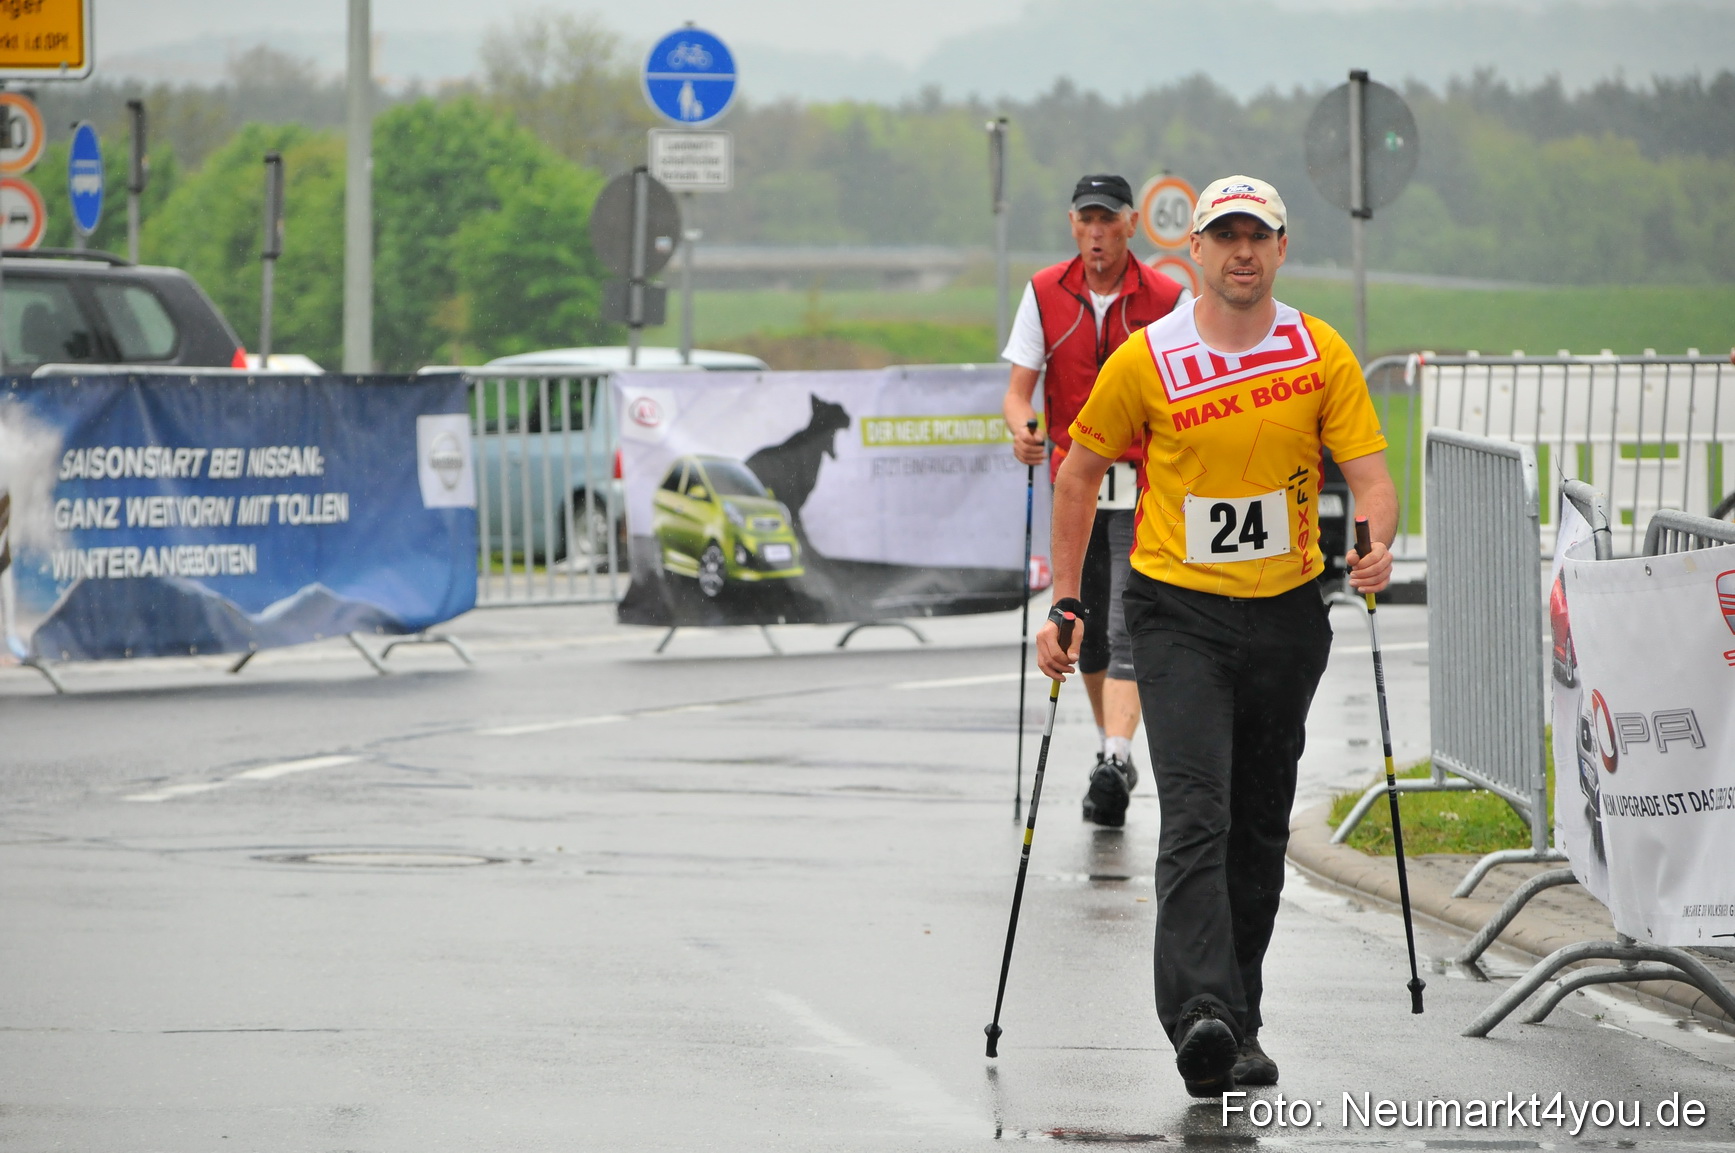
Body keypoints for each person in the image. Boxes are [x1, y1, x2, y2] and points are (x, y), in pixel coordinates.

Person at [1035, 175, 1397, 1097]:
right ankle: (1199, 1011)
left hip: (1284, 613)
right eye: (1223, 235)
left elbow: (1369, 474)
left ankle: (1241, 1018)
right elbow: (1076, 473)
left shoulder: (1319, 352)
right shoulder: (1148, 356)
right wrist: (1068, 599)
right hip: (1176, 611)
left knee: (1258, 825)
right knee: (1197, 810)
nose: (1241, 251)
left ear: (1280, 249)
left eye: (1258, 236)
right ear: (1192, 250)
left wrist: (1375, 542)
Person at [1002, 173, 1188, 828]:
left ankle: (1113, 751)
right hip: (1074, 479)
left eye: (1108, 220)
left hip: (1143, 476)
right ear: (1071, 224)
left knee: (1128, 612)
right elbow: (1018, 391)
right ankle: (1112, 749)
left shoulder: (1168, 297)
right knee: (1082, 617)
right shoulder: (1044, 292)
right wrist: (1022, 426)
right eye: (1086, 219)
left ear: (1130, 224)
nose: (1096, 232)